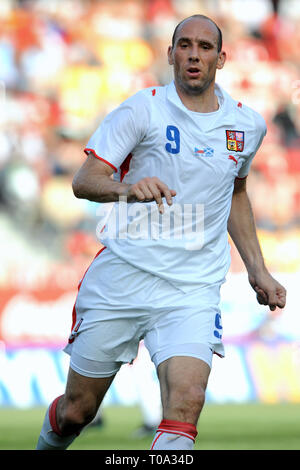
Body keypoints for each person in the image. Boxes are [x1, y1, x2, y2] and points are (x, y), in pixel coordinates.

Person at [36, 14, 286, 450]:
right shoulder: (142, 108)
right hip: (124, 276)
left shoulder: (247, 127)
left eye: (205, 47)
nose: (194, 54)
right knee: (77, 411)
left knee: (186, 404)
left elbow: (237, 194)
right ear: (170, 54)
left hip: (193, 287)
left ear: (221, 59)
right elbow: (83, 181)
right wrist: (127, 189)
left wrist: (257, 270)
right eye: (185, 45)